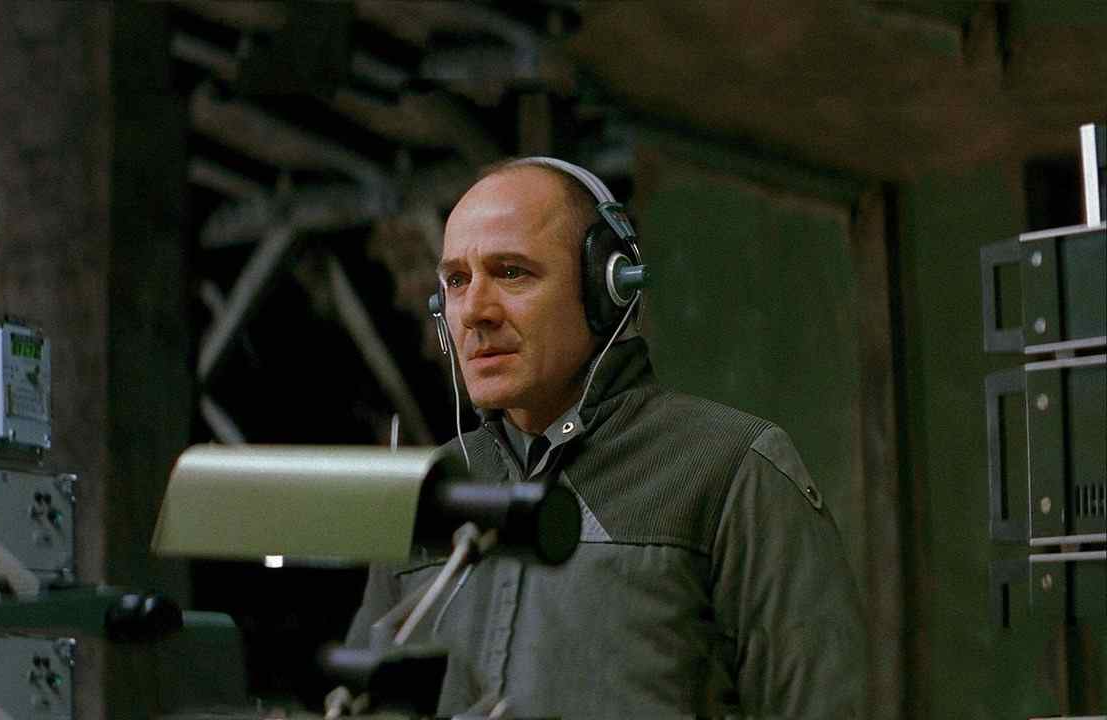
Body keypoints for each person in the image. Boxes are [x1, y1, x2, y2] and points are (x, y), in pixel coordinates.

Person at [346, 158, 866, 718]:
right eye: (456, 281)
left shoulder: (732, 470)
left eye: (512, 272)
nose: (474, 311)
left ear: (606, 286)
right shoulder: (427, 493)